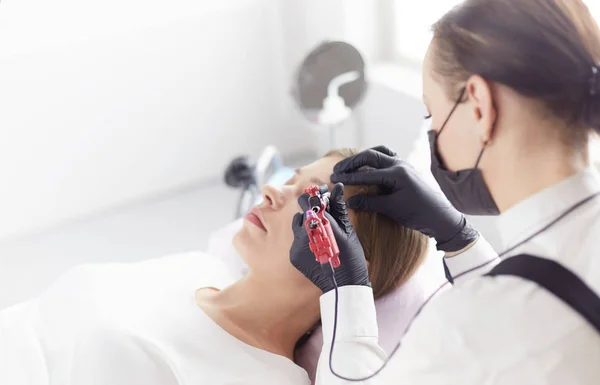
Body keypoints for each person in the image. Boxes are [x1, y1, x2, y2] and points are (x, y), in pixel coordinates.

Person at [289, 0, 600, 384]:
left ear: (480, 107)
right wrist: (459, 239)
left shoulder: (464, 329)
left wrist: (344, 289)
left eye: (431, 115)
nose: (433, 133)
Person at [0, 149, 427, 385]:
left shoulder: (265, 380)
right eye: (290, 178)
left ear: (345, 260)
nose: (271, 192)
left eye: (307, 200)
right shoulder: (196, 269)